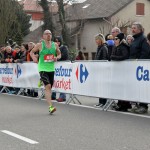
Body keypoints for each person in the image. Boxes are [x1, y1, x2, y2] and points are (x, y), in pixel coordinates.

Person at [30, 30, 61, 114]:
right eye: (46, 34)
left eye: (50, 34)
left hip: (51, 68)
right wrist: (34, 58)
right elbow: (31, 52)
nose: (48, 35)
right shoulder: (40, 45)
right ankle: (50, 107)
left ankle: (41, 80)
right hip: (42, 68)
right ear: (43, 36)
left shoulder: (55, 45)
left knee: (50, 87)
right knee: (48, 87)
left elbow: (59, 54)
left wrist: (57, 58)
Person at [130, 22, 150, 114]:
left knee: (142, 87)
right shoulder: (134, 39)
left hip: (141, 68)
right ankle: (138, 104)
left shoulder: (143, 39)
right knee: (137, 87)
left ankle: (143, 105)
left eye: (134, 28)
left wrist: (139, 63)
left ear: (140, 29)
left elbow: (145, 53)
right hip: (134, 67)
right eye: (132, 28)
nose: (132, 30)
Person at [110, 33, 132, 111]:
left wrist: (114, 57)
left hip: (123, 71)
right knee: (119, 87)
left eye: (116, 39)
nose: (114, 41)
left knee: (123, 88)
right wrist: (113, 57)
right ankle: (120, 103)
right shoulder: (115, 47)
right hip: (117, 70)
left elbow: (125, 56)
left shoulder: (123, 47)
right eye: (114, 39)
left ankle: (125, 105)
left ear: (120, 40)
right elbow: (111, 55)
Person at [51, 36, 69, 102]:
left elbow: (65, 55)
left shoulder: (64, 47)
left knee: (62, 81)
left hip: (62, 68)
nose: (57, 42)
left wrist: (57, 58)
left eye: (58, 41)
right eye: (55, 41)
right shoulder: (53, 48)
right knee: (55, 81)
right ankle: (53, 95)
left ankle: (62, 96)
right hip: (55, 68)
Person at [94, 33, 108, 107]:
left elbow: (104, 59)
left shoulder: (104, 48)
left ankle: (104, 102)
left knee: (103, 86)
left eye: (97, 39)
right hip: (98, 70)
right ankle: (100, 102)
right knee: (99, 86)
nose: (95, 41)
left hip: (102, 70)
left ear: (100, 40)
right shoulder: (99, 47)